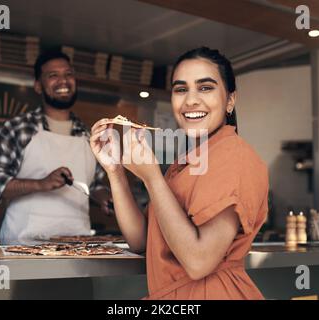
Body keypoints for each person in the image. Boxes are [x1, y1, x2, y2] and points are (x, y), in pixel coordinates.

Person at [90, 47, 268, 299]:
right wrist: (115, 170)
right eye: (181, 89)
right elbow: (141, 241)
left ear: (230, 100)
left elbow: (198, 262)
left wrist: (152, 177)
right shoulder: (186, 163)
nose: (191, 100)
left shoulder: (234, 157)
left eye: (205, 87)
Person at [0, 50, 111, 243]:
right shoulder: (17, 129)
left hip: (77, 246)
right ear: (38, 86)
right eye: (53, 76)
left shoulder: (90, 136)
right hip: (23, 245)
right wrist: (40, 184)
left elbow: (95, 185)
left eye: (68, 74)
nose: (63, 81)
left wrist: (104, 198)